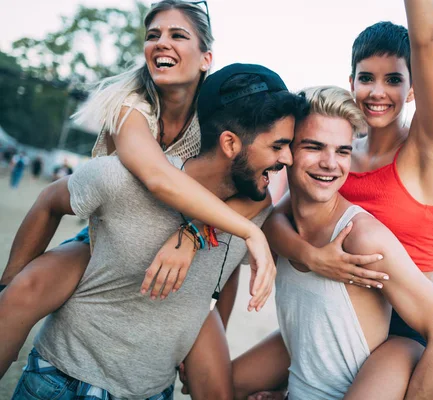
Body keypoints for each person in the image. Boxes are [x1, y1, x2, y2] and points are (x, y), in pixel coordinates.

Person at [0, 0, 274, 379]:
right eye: (153, 36)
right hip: (114, 234)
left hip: (194, 237)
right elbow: (157, 177)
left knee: (214, 372)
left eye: (178, 35)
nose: (162, 42)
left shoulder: (214, 114)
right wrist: (9, 279)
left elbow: (255, 188)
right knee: (21, 294)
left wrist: (195, 234)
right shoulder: (131, 107)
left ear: (206, 58)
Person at [10, 63, 307, 399]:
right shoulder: (122, 179)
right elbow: (48, 201)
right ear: (229, 144)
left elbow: (223, 272)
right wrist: (10, 281)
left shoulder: (256, 208)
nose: (289, 158)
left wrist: (194, 237)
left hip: (152, 392)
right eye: (278, 145)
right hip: (61, 381)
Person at [256, 0, 433, 397]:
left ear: (414, 87)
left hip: (404, 329)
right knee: (227, 384)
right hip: (337, 314)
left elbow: (427, 40)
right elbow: (275, 220)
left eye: (393, 80)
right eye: (367, 78)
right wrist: (312, 255)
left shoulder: (425, 151)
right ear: (350, 83)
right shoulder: (342, 157)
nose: (377, 91)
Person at [231, 86, 433, 400]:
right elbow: (268, 219)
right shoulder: (282, 223)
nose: (331, 163)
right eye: (314, 147)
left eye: (343, 151)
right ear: (287, 151)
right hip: (296, 384)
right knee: (218, 384)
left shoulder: (363, 238)